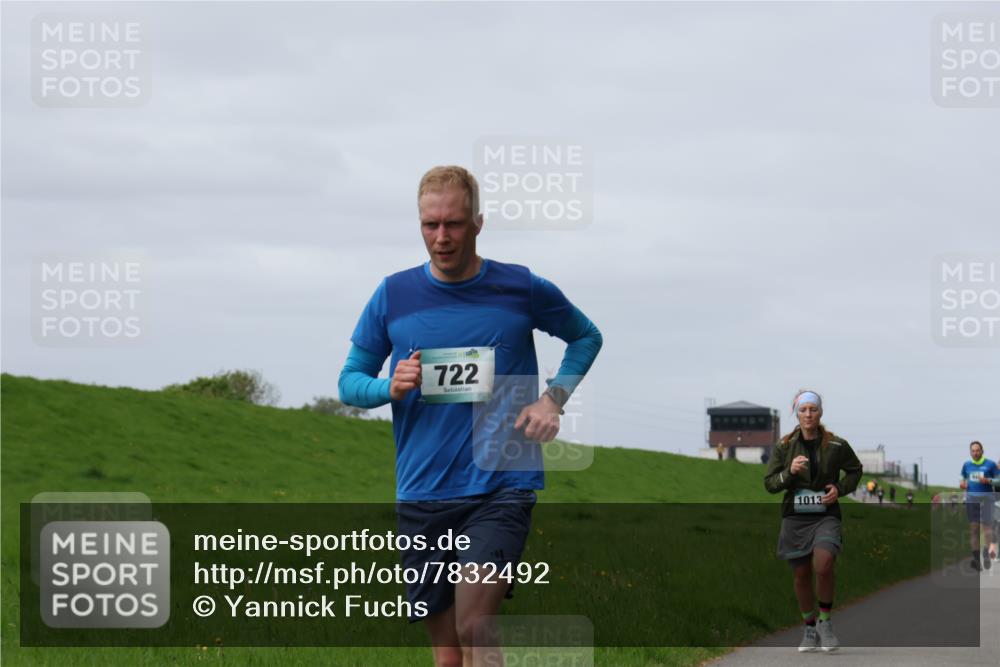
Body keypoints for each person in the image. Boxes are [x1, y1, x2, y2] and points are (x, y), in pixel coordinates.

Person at [338, 166, 602, 667]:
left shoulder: (520, 287)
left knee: (475, 627)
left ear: (478, 222)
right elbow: (350, 381)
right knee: (447, 653)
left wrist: (553, 399)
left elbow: (585, 335)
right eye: (430, 225)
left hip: (502, 483)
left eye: (454, 224)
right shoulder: (393, 295)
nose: (441, 237)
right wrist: (387, 388)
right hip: (422, 491)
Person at [764, 390, 863, 653]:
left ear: (820, 413)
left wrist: (839, 489)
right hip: (794, 517)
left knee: (824, 563)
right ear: (796, 413)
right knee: (801, 574)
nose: (808, 414)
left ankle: (826, 622)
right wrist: (789, 472)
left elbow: (855, 469)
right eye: (803, 410)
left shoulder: (837, 445)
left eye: (813, 409)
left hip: (826, 515)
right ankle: (809, 628)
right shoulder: (784, 446)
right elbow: (770, 484)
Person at [959, 440, 999, 572]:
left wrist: (988, 480)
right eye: (973, 451)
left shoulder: (990, 464)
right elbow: (962, 478)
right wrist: (962, 484)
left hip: (987, 499)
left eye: (977, 450)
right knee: (974, 529)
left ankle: (986, 554)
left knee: (986, 529)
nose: (975, 453)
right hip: (972, 500)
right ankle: (976, 560)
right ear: (971, 452)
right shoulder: (967, 465)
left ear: (982, 451)